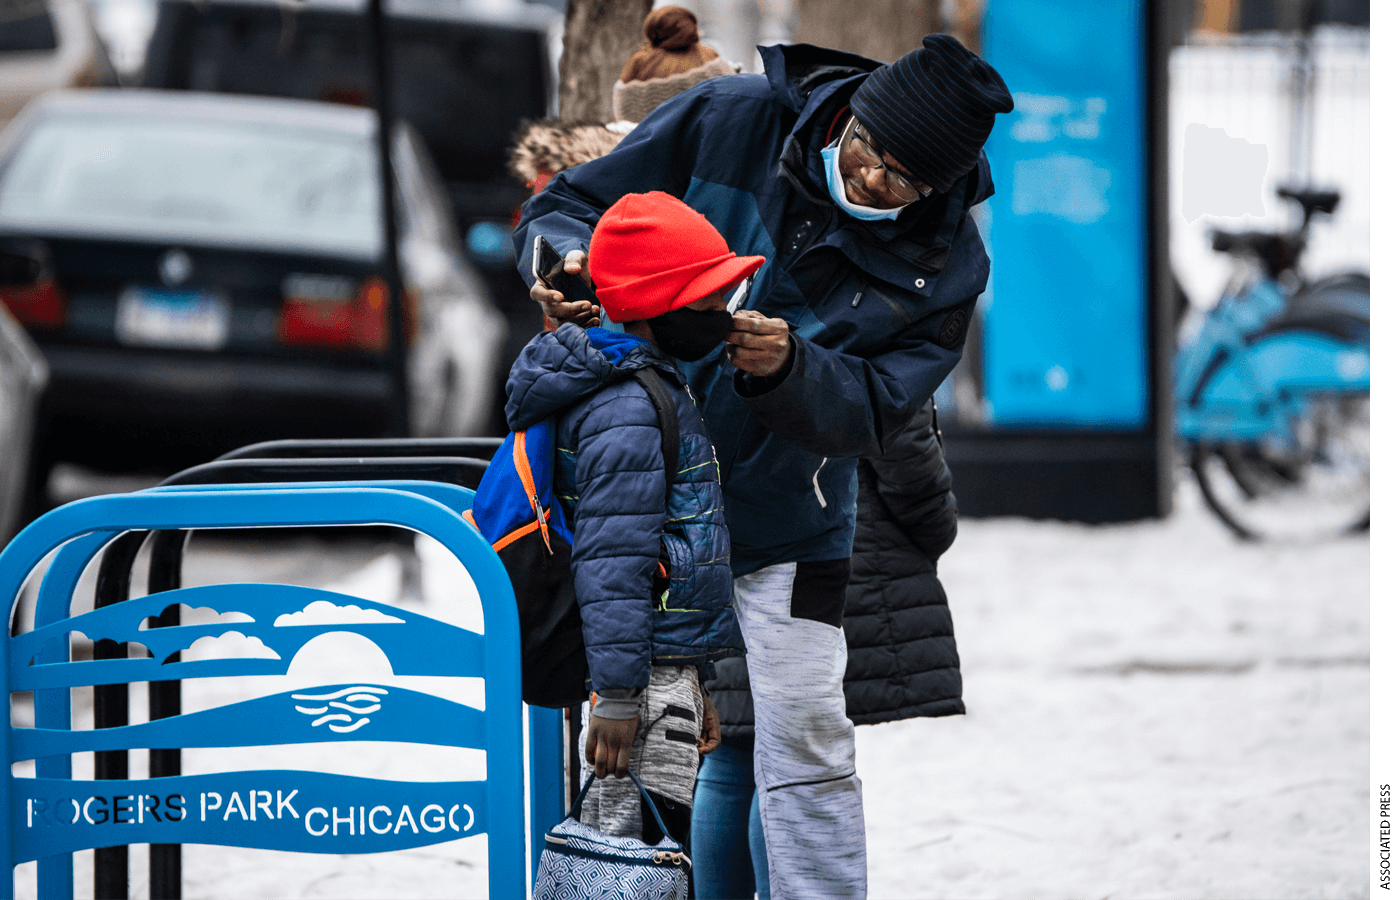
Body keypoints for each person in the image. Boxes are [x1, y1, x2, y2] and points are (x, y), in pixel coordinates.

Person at [514, 33, 1013, 899]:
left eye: (902, 181)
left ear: (939, 187)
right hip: (653, 503)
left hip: (800, 522)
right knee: (668, 741)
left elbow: (879, 409)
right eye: (866, 152)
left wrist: (792, 372)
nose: (870, 181)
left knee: (809, 736)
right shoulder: (732, 117)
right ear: (847, 115)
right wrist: (563, 264)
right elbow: (570, 204)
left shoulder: (950, 265)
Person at [503, 190, 761, 855]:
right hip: (639, 674)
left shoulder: (642, 380)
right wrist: (619, 697)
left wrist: (694, 679)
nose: (719, 316)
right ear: (652, 306)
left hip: (661, 665)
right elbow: (615, 559)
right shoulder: (626, 406)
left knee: (651, 843)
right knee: (635, 852)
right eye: (706, 300)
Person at [692, 399, 962, 899]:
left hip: (723, 533)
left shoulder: (713, 324)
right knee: (793, 757)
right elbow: (903, 440)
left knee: (733, 754)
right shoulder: (847, 321)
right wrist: (937, 524)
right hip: (816, 542)